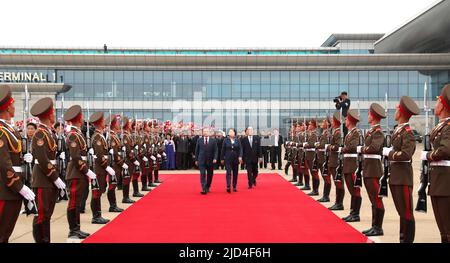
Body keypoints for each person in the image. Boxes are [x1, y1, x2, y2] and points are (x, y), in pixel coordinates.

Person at [0, 85, 36, 243]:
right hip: (6, 189)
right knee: (2, 233)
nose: (15, 108)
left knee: (6, 232)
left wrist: (23, 158)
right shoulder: (1, 131)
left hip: (12, 189)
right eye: (13, 105)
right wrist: (19, 186)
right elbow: (4, 165)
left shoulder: (9, 130)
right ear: (8, 108)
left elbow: (13, 156)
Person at [383, 96, 419, 243]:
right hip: (395, 176)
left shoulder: (408, 133)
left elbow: (405, 154)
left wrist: (389, 153)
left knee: (407, 213)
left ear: (402, 112)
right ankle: (402, 239)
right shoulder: (398, 131)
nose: (395, 111)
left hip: (403, 177)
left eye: (398, 108)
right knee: (401, 213)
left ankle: (407, 240)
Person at [30, 97, 66, 242]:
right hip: (43, 179)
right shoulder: (39, 134)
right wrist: (55, 177)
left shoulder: (48, 133)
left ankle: (46, 240)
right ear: (49, 115)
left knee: (47, 214)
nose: (54, 116)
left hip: (49, 179)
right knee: (41, 214)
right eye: (53, 113)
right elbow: (43, 160)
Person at [422, 84, 450, 243]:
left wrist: (429, 155)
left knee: (447, 224)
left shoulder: (448, 127)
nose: (436, 104)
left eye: (438, 102)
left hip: (445, 181)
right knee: (442, 226)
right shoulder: (442, 126)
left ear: (444, 106)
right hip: (437, 180)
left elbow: (446, 150)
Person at [64, 105, 94, 239]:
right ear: (79, 118)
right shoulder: (73, 135)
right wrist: (86, 171)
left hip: (79, 172)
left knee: (77, 202)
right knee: (74, 202)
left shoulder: (78, 134)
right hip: (76, 172)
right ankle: (73, 230)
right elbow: (76, 157)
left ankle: (77, 228)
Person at [357, 103, 386, 236]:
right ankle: (374, 225)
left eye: (369, 114)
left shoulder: (378, 132)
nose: (367, 116)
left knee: (377, 199)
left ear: (373, 116)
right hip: (369, 169)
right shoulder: (371, 131)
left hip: (374, 170)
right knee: (372, 199)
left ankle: (378, 227)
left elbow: (374, 148)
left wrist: (362, 149)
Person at [89, 111, 112, 224]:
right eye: (103, 121)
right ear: (99, 123)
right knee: (96, 193)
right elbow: (99, 155)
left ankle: (98, 215)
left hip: (100, 168)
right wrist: (106, 166)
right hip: (98, 168)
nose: (105, 123)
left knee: (99, 192)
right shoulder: (97, 136)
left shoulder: (100, 135)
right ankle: (96, 216)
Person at [341, 109, 362, 223]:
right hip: (348, 164)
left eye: (346, 119)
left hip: (353, 164)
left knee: (355, 190)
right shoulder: (350, 133)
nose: (345, 121)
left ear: (350, 120)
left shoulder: (356, 133)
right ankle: (352, 212)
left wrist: (343, 149)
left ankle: (355, 214)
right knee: (351, 190)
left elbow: (352, 147)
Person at [106, 114, 124, 212]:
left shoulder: (115, 135)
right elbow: (115, 153)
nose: (119, 124)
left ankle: (114, 205)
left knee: (114, 184)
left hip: (117, 164)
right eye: (117, 122)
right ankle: (112, 206)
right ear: (113, 124)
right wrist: (121, 163)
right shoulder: (112, 137)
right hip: (114, 164)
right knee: (112, 185)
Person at [327, 111, 345, 211]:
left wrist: (329, 146)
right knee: (336, 182)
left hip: (335, 160)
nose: (331, 123)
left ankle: (339, 203)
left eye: (333, 121)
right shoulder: (335, 132)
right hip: (332, 160)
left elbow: (338, 146)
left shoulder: (338, 133)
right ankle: (337, 202)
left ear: (336, 122)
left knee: (339, 182)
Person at [195, 128, 218, 195]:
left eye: (207, 131)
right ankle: (203, 188)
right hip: (201, 160)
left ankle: (208, 186)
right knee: (202, 173)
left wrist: (215, 158)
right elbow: (197, 150)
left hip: (210, 160)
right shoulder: (199, 140)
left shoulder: (213, 140)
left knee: (210, 175)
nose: (205, 132)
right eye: (204, 131)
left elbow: (216, 150)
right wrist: (196, 159)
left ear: (209, 132)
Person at [221, 128, 243, 193]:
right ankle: (228, 186)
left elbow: (240, 149)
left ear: (234, 133)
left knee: (235, 173)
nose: (230, 132)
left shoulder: (238, 140)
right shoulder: (225, 140)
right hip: (228, 159)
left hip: (236, 159)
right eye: (229, 131)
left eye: (231, 131)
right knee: (228, 172)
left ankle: (234, 186)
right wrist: (222, 158)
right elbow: (223, 150)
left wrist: (240, 157)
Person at [317, 118, 331, 202]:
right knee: (324, 176)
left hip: (324, 157)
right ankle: (325, 195)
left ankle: (326, 196)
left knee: (326, 177)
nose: (322, 123)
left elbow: (323, 145)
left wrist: (318, 145)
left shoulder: (327, 133)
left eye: (324, 122)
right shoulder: (323, 132)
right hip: (321, 157)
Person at [304, 119, 319, 196]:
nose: (308, 126)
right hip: (309, 155)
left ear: (313, 126)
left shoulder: (315, 134)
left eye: (310, 124)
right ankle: (314, 189)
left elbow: (313, 144)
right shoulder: (310, 134)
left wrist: (306, 145)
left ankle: (316, 190)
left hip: (313, 155)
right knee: (312, 173)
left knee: (314, 173)